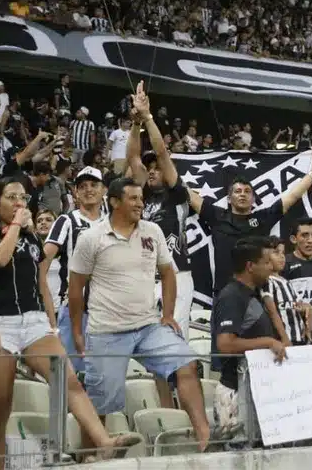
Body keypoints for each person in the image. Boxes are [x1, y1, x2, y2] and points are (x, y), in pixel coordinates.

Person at [0, 177, 137, 470]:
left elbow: (39, 283)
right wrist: (14, 229)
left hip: (34, 320)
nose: (19, 203)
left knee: (68, 379)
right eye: (11, 197)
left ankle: (105, 442)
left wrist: (50, 322)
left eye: (23, 198)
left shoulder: (32, 237)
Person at [67, 177, 211, 450]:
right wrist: (76, 331)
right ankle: (90, 458)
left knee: (187, 364)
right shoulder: (91, 238)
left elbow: (169, 273)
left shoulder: (152, 231)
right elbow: (76, 289)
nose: (140, 203)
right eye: (133, 198)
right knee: (100, 402)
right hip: (106, 331)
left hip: (148, 327)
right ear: (114, 202)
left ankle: (206, 440)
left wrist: (167, 315)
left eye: (141, 199)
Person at [124, 82, 195, 406]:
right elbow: (133, 157)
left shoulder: (177, 194)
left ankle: (186, 402)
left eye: (156, 170)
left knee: (172, 340)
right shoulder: (142, 199)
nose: (151, 171)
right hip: (144, 278)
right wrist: (135, 121)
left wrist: (149, 117)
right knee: (153, 346)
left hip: (176, 276)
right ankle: (169, 409)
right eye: (148, 170)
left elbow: (161, 154)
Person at [188, 151, 312, 297]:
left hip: (258, 295)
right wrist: (165, 162)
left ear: (253, 199)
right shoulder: (216, 215)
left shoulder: (263, 218)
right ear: (229, 198)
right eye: (237, 191)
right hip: (224, 293)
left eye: (247, 192)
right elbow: (185, 192)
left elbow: (293, 195)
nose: (242, 194)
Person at [212, 239, 286, 441]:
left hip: (256, 390)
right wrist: (268, 342)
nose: (271, 267)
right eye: (266, 262)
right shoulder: (232, 297)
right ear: (250, 266)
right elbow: (225, 344)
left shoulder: (253, 293)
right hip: (236, 393)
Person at [42, 167, 107, 373]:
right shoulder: (66, 221)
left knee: (102, 377)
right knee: (70, 379)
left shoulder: (113, 222)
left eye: (94, 185)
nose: (88, 190)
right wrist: (50, 316)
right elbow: (41, 264)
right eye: (82, 186)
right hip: (74, 311)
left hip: (108, 311)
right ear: (75, 193)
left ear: (104, 190)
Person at [261, 237, 311, 347]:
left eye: (283, 252)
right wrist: (284, 338)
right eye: (276, 252)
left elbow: (303, 305)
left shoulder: (286, 282)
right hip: (282, 341)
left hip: (298, 338)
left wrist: (305, 309)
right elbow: (272, 311)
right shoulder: (267, 281)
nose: (282, 256)